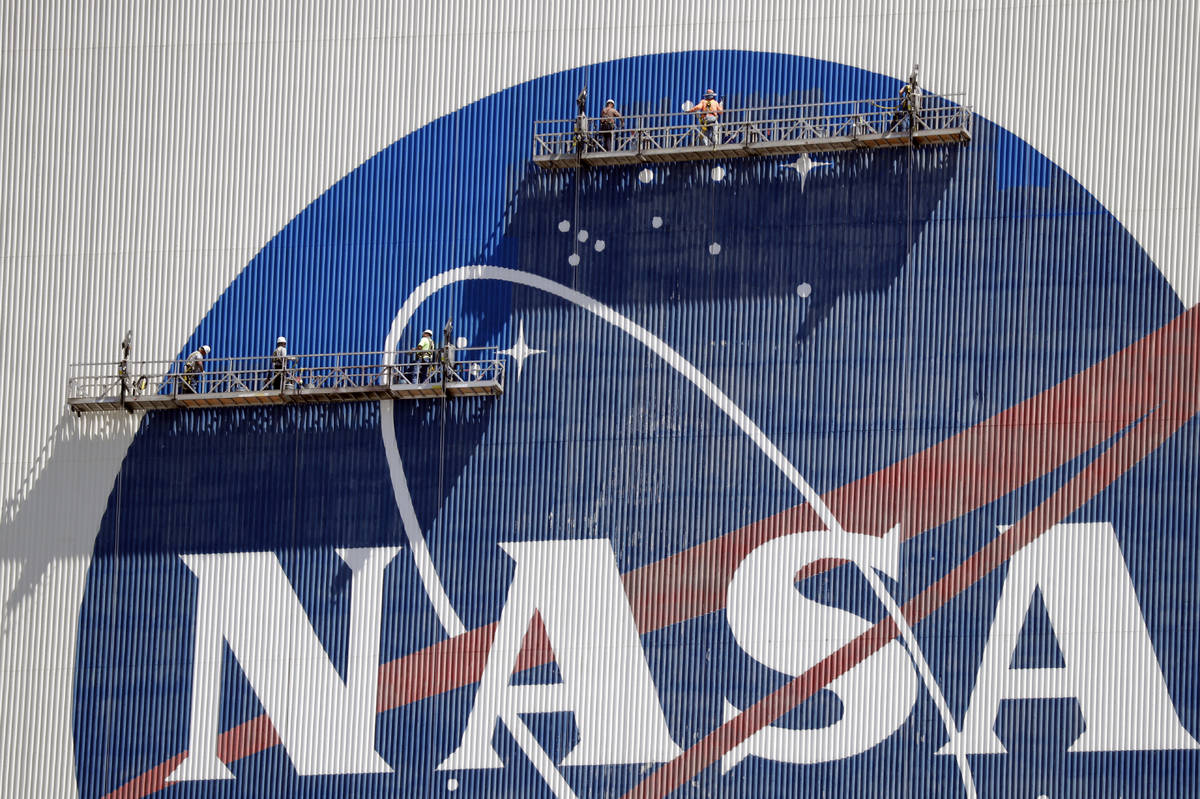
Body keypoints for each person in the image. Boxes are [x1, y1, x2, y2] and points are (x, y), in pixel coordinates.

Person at [888, 66, 924, 132]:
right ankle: (915, 130)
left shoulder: (907, 86)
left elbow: (900, 92)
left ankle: (904, 131)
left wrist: (902, 99)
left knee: (905, 119)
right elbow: (921, 98)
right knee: (915, 120)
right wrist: (920, 106)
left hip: (907, 107)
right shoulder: (918, 89)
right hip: (915, 108)